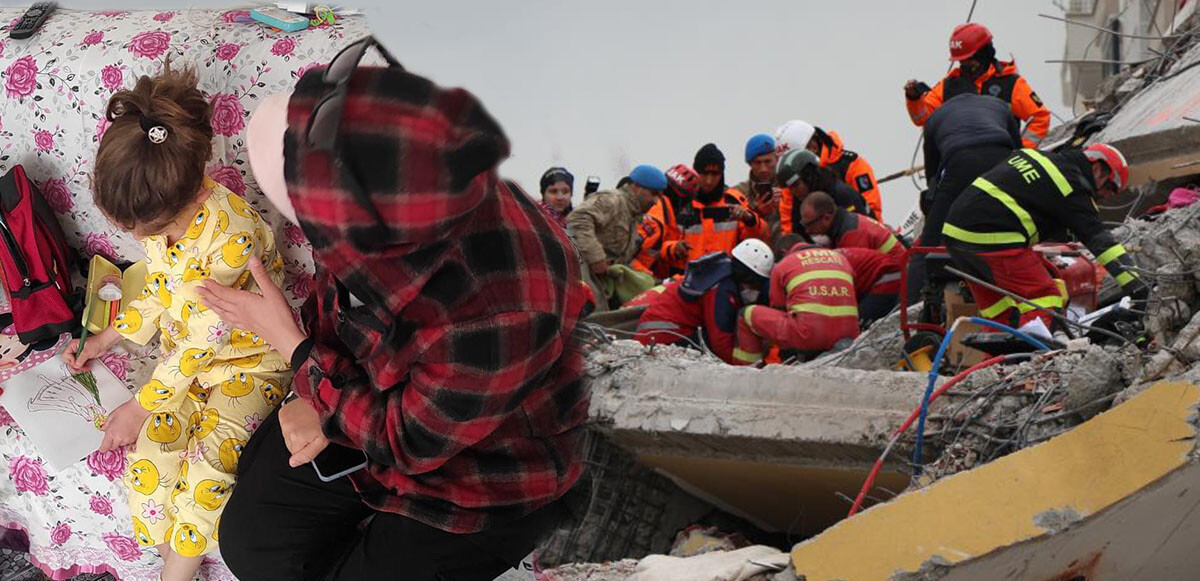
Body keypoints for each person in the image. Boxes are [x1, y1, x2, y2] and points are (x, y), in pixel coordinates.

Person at [208, 37, 589, 580]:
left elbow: (405, 440)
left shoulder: (501, 315)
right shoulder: (382, 173)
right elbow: (340, 304)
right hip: (384, 400)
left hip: (483, 476)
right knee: (252, 541)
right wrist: (319, 393)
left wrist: (298, 355)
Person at [62, 63, 291, 581]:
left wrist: (141, 406)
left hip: (249, 365)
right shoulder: (163, 213)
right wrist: (107, 337)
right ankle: (165, 558)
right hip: (188, 365)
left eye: (144, 228)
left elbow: (197, 342)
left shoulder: (230, 239)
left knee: (209, 472)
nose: (138, 236)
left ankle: (176, 576)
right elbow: (162, 288)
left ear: (194, 194)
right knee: (151, 465)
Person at [942, 143, 1149, 329]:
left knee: (999, 310)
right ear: (1098, 168)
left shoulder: (1039, 157)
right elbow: (1101, 242)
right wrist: (1137, 284)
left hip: (955, 232)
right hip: (992, 237)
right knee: (1045, 297)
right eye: (1109, 187)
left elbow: (1034, 205)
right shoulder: (1072, 188)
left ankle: (999, 365)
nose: (1105, 196)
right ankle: (1039, 359)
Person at [907, 92, 1023, 303]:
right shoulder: (1000, 105)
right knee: (1015, 228)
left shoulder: (935, 118)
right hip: (1001, 156)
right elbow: (1020, 154)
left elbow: (933, 178)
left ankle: (911, 307)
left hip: (960, 161)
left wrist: (937, 212)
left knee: (927, 247)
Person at [904, 23, 1051, 149]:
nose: (965, 65)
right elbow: (921, 118)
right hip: (961, 165)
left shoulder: (1010, 83)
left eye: (969, 60)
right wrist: (914, 99)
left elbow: (1040, 118)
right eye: (961, 61)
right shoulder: (948, 85)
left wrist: (1021, 153)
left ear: (984, 54)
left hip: (1002, 165)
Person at [635, 239, 773, 364]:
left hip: (657, 332)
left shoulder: (719, 274)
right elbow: (720, 342)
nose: (755, 290)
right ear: (746, 277)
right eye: (754, 285)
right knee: (712, 353)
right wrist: (741, 369)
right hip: (661, 339)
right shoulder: (721, 289)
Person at [733, 243, 859, 365]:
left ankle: (747, 372)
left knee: (746, 314)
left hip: (808, 335)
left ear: (785, 252)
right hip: (850, 334)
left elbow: (779, 308)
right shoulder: (842, 260)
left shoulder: (784, 264)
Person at [567, 164, 664, 308]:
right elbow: (577, 219)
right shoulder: (612, 200)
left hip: (602, 281)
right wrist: (596, 257)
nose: (656, 201)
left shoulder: (633, 216)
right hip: (581, 273)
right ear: (637, 187)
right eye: (654, 193)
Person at [775, 120, 883, 220]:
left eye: (794, 158)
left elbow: (873, 213)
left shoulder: (851, 165)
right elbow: (789, 225)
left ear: (813, 147)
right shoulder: (792, 182)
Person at [686, 143, 770, 261]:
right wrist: (673, 249)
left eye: (715, 174)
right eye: (704, 173)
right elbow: (667, 242)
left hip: (727, 275)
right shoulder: (684, 202)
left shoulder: (734, 199)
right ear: (696, 172)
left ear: (722, 174)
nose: (709, 181)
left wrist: (749, 219)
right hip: (689, 276)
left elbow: (760, 237)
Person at [775, 149, 874, 237]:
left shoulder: (841, 194)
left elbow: (859, 235)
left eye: (795, 185)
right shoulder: (800, 199)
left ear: (809, 177)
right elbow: (798, 234)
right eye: (789, 188)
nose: (793, 192)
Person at [634, 164, 700, 278]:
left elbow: (656, 250)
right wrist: (652, 281)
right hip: (634, 280)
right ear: (682, 200)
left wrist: (672, 249)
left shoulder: (663, 213)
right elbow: (630, 257)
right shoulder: (657, 221)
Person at [799, 192, 904, 260]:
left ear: (826, 218)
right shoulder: (848, 222)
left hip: (897, 275)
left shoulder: (852, 235)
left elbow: (857, 276)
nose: (807, 230)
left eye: (809, 224)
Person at [732, 133, 784, 242]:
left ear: (777, 159)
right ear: (750, 163)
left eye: (767, 161)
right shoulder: (738, 193)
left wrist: (785, 204)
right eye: (757, 163)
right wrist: (755, 212)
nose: (763, 169)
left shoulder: (789, 187)